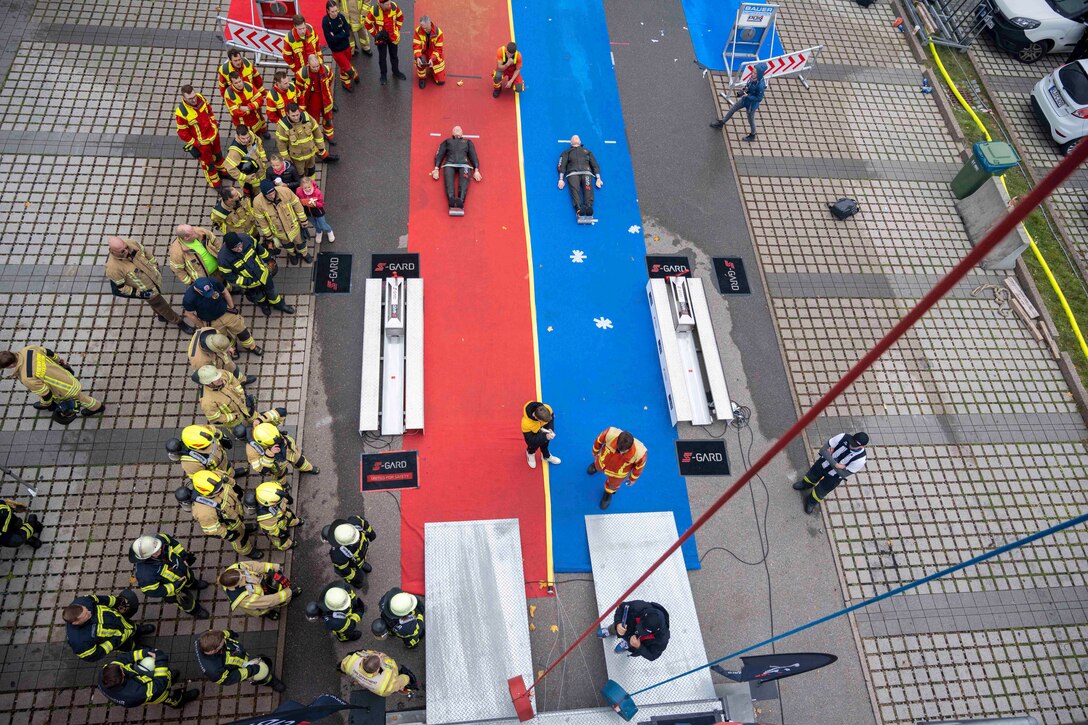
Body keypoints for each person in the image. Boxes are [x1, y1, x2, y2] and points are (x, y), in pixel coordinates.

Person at [105, 236, 194, 334]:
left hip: (155, 280)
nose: (127, 251)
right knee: (162, 306)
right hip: (147, 291)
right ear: (113, 251)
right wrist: (141, 294)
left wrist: (154, 264)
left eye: (126, 247)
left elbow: (146, 253)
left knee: (156, 305)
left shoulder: (132, 243)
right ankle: (178, 321)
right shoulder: (112, 268)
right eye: (122, 251)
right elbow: (121, 288)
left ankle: (161, 316)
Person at [0, 346, 104, 422]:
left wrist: (45, 404)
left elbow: (46, 393)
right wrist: (59, 361)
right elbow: (48, 352)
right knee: (76, 396)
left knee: (81, 398)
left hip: (64, 389)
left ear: (12, 365)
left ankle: (97, 407)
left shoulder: (27, 377)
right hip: (64, 375)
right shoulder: (28, 349)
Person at [129, 533, 210, 619]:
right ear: (146, 556)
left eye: (159, 547)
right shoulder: (145, 574)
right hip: (174, 591)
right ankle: (195, 610)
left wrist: (184, 557)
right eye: (156, 551)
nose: (160, 550)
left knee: (190, 577)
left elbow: (175, 545)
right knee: (185, 602)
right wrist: (174, 586)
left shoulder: (160, 539)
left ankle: (193, 584)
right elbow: (152, 591)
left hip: (183, 571)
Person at [218, 232, 295, 317]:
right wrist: (247, 281)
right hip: (250, 284)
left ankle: (279, 305)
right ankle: (264, 305)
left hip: (263, 274)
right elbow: (229, 276)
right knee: (258, 296)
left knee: (272, 291)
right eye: (235, 248)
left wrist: (269, 260)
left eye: (240, 245)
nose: (239, 249)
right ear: (229, 248)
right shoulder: (223, 259)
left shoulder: (246, 239)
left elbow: (259, 249)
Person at [63, 590, 154, 662]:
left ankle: (139, 629)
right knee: (129, 646)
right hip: (119, 642)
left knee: (131, 626)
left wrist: (119, 602)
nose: (89, 612)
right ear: (75, 623)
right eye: (85, 615)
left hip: (120, 621)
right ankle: (138, 648)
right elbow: (94, 655)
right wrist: (116, 641)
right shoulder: (80, 642)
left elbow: (104, 599)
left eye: (86, 610)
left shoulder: (83, 601)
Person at [190, 470, 262, 558]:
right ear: (205, 492)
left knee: (241, 526)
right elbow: (211, 529)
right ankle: (246, 551)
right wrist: (227, 534)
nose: (221, 488)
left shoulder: (215, 477)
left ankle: (243, 527)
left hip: (236, 513)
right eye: (218, 490)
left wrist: (234, 485)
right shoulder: (204, 511)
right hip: (231, 526)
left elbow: (226, 478)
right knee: (240, 541)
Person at [793, 432, 868, 514]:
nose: (851, 445)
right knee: (811, 476)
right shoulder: (843, 437)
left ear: (862, 447)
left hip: (834, 477)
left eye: (855, 445)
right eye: (852, 442)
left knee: (821, 491)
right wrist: (837, 465)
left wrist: (829, 456)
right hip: (823, 464)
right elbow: (822, 450)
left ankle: (811, 501)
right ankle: (805, 484)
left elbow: (843, 474)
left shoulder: (860, 459)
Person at [97, 648, 199, 709]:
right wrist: (160, 661)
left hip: (141, 684)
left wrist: (146, 652)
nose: (122, 666)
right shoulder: (135, 693)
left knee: (163, 678)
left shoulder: (106, 674)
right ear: (122, 676)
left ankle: (170, 680)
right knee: (169, 696)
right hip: (156, 694)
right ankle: (178, 701)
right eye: (122, 669)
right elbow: (159, 686)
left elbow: (123, 659)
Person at [195, 629, 286, 692]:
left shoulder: (204, 637)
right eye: (222, 643)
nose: (225, 640)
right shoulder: (214, 671)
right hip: (239, 667)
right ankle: (270, 681)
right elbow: (229, 678)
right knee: (261, 674)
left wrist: (229, 633)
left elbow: (220, 634)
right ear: (213, 651)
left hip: (237, 654)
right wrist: (250, 670)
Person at [253, 177, 313, 265]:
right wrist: (268, 235)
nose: (272, 196)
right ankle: (292, 254)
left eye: (272, 192)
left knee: (301, 243)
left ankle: (304, 254)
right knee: (288, 246)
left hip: (294, 227)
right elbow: (261, 220)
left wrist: (303, 220)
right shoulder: (258, 202)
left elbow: (297, 205)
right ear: (263, 194)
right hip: (279, 232)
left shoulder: (285, 191)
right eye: (268, 195)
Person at [175, 84, 224, 188]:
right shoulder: (182, 112)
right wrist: (196, 143)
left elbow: (209, 111)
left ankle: (223, 173)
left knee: (219, 155)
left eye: (194, 96)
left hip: (213, 136)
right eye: (190, 98)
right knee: (208, 164)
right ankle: (215, 183)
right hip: (202, 144)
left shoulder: (200, 98)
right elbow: (181, 132)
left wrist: (214, 123)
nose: (194, 100)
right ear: (184, 98)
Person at [587, 427, 647, 510]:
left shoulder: (640, 453)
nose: (621, 453)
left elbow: (639, 467)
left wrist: (632, 478)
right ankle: (595, 467)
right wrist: (595, 451)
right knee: (597, 465)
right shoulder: (609, 434)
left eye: (624, 451)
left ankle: (608, 493)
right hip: (602, 461)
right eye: (619, 449)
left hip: (618, 474)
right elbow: (599, 441)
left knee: (613, 485)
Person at [244, 419, 320, 481]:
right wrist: (269, 454)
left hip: (289, 451)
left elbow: (278, 413)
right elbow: (260, 469)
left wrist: (260, 419)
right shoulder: (251, 450)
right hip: (277, 464)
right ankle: (284, 484)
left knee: (300, 461)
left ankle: (308, 468)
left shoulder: (266, 427)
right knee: (280, 476)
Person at [217, 560, 296, 619]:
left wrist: (275, 568)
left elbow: (255, 566)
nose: (244, 575)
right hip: (259, 606)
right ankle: (269, 613)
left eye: (241, 573)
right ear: (235, 585)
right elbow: (268, 601)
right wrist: (288, 592)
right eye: (241, 579)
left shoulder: (236, 568)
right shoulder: (243, 598)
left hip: (261, 588)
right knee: (266, 609)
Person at [169, 423, 248, 482]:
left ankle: (232, 474)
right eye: (206, 445)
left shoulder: (196, 431)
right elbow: (201, 478)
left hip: (222, 459)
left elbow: (212, 430)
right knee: (227, 481)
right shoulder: (190, 463)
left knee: (228, 468)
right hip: (216, 472)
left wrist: (222, 438)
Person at [709, 63, 767, 142]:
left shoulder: (760, 85)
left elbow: (759, 98)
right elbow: (748, 86)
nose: (752, 74)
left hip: (751, 105)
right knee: (733, 109)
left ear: (759, 74)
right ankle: (722, 123)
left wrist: (747, 96)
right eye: (752, 71)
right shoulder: (753, 78)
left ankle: (753, 135)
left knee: (751, 120)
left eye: (754, 73)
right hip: (745, 100)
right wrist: (744, 90)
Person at [595, 600, 670, 661]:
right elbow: (621, 607)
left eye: (645, 632)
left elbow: (653, 655)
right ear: (644, 616)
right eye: (641, 626)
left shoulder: (662, 639)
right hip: (626, 626)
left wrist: (639, 646)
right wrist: (618, 624)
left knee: (631, 644)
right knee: (614, 628)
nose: (639, 630)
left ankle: (627, 644)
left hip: (637, 642)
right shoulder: (638, 606)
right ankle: (610, 630)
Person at [275, 103, 332, 180]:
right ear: (287, 114)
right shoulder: (283, 126)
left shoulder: (307, 118)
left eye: (297, 114)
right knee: (300, 174)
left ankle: (313, 185)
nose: (296, 118)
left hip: (311, 154)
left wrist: (321, 146)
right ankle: (303, 188)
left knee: (311, 171)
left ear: (299, 111)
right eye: (293, 116)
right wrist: (287, 159)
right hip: (297, 158)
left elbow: (316, 131)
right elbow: (281, 144)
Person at [431, 126, 481, 213]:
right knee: (449, 181)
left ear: (462, 133)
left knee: (464, 181)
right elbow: (440, 154)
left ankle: (460, 201)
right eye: (455, 129)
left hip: (464, 165)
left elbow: (473, 155)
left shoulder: (467, 142)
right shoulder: (447, 141)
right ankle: (451, 199)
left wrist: (476, 169)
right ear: (452, 133)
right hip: (449, 164)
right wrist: (436, 168)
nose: (457, 130)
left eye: (459, 129)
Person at [198, 365, 256, 432]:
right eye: (216, 379)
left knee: (254, 417)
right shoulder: (207, 402)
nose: (220, 379)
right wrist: (233, 416)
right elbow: (215, 418)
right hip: (233, 420)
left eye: (219, 376)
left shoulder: (222, 374)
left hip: (242, 406)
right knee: (240, 431)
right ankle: (243, 437)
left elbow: (234, 381)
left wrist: (242, 396)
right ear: (209, 383)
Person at [557, 135, 603, 219]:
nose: (575, 137)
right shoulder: (566, 152)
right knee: (574, 189)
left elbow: (595, 165)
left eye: (577, 137)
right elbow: (561, 165)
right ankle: (578, 208)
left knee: (588, 188)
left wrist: (598, 178)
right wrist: (561, 179)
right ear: (571, 142)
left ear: (580, 141)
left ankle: (588, 206)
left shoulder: (587, 152)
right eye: (573, 137)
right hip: (572, 174)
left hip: (586, 173)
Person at [340, 650, 420, 696]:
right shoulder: (387, 681)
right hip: (381, 691)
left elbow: (343, 666)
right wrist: (407, 677)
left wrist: (372, 654)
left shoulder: (350, 662)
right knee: (399, 685)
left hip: (360, 680)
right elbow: (400, 681)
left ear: (365, 659)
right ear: (378, 670)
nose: (380, 655)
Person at [324, 516, 376, 587]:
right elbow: (366, 526)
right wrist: (372, 535)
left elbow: (345, 571)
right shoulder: (354, 521)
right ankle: (363, 565)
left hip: (355, 563)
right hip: (363, 551)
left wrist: (356, 578)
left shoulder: (337, 554)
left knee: (357, 577)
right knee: (361, 559)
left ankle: (358, 582)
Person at [365, 0, 406, 86]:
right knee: (382, 57)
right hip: (381, 39)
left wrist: (397, 29)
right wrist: (376, 35)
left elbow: (400, 17)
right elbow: (367, 23)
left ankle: (396, 72)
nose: (389, 6)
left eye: (389, 3)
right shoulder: (374, 11)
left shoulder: (394, 6)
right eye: (387, 4)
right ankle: (383, 75)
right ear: (381, 4)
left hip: (393, 36)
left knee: (394, 56)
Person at [254, 481, 302, 551]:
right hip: (278, 526)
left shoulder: (273, 490)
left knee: (291, 517)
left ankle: (294, 522)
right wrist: (280, 533)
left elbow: (280, 497)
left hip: (283, 513)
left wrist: (287, 498)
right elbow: (271, 530)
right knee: (281, 541)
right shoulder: (265, 517)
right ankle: (287, 545)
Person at [298, 54, 336, 142]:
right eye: (314, 67)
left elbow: (330, 80)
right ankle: (316, 137)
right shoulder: (302, 74)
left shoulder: (326, 69)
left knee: (328, 118)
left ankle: (329, 134)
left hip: (325, 97)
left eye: (318, 66)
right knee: (314, 120)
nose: (316, 68)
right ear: (308, 64)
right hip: (312, 100)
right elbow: (299, 89)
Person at [223, 125, 268, 198]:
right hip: (250, 181)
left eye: (247, 137)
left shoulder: (252, 136)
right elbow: (230, 168)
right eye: (243, 139)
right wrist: (245, 177)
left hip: (261, 171)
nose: (246, 140)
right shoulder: (234, 151)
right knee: (253, 197)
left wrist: (264, 158)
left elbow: (259, 145)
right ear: (238, 136)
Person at [324, 2, 360, 91]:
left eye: (336, 10)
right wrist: (341, 34)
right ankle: (354, 75)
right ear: (328, 11)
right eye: (332, 11)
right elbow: (330, 39)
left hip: (346, 47)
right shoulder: (325, 22)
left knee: (344, 67)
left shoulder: (341, 17)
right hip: (337, 51)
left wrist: (336, 36)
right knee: (348, 69)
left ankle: (345, 82)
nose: (335, 13)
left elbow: (347, 32)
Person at [224, 74, 268, 139]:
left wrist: (248, 107)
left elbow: (261, 100)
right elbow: (235, 113)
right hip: (242, 122)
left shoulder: (249, 86)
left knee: (258, 131)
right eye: (236, 83)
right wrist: (251, 109)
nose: (239, 84)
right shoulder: (228, 94)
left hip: (255, 117)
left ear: (242, 79)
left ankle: (262, 134)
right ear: (231, 83)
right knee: (246, 139)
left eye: (240, 81)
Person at [297, 175, 335, 245]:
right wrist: (302, 202)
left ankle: (329, 231)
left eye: (309, 187)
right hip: (308, 212)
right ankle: (319, 232)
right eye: (305, 188)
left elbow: (322, 204)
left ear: (311, 184)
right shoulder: (299, 192)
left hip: (318, 211)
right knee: (315, 224)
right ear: (301, 187)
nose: (307, 189)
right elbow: (297, 200)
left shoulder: (317, 192)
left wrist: (315, 204)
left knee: (323, 224)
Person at [522, 400, 560, 469]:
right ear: (537, 418)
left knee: (545, 444)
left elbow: (551, 420)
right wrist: (545, 437)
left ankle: (546, 456)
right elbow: (530, 441)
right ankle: (530, 454)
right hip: (534, 435)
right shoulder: (526, 424)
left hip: (544, 431)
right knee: (532, 447)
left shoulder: (547, 408)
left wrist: (550, 428)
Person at [282, 14, 322, 80]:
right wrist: (295, 69)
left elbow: (317, 45)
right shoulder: (289, 39)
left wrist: (320, 60)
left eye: (303, 28)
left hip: (314, 65)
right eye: (300, 29)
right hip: (301, 69)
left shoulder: (311, 30)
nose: (303, 31)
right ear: (294, 26)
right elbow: (287, 57)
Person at [412, 16, 445, 89]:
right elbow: (416, 46)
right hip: (423, 54)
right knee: (420, 61)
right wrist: (418, 57)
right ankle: (422, 78)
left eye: (426, 28)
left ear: (430, 24)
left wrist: (432, 58)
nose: (425, 30)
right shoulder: (418, 31)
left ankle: (433, 70)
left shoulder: (439, 33)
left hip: (433, 54)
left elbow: (438, 49)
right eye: (423, 28)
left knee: (441, 81)